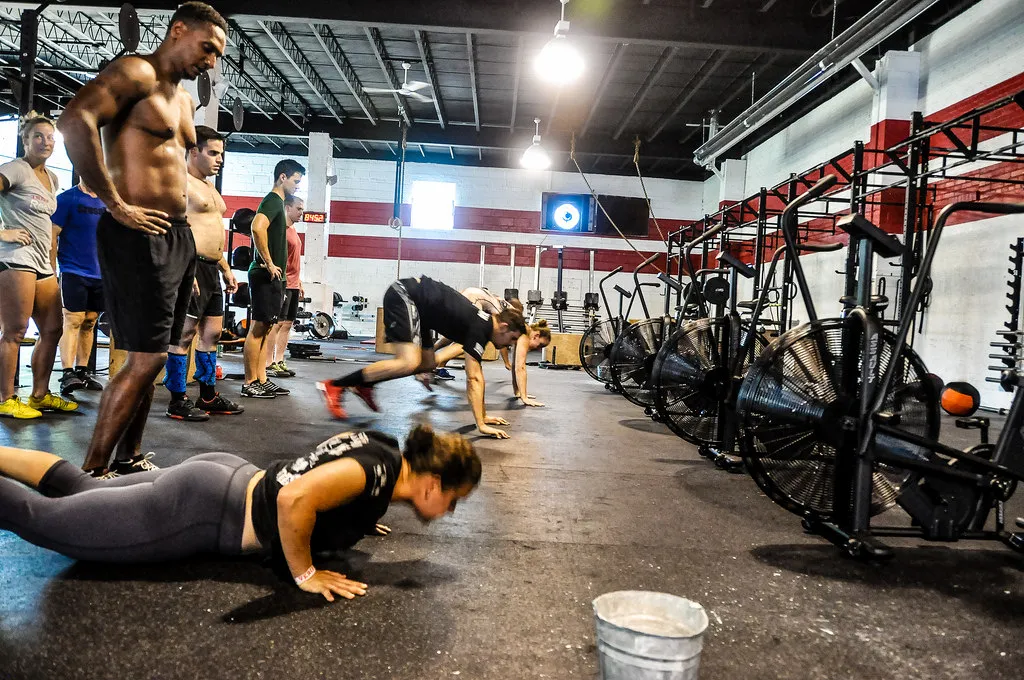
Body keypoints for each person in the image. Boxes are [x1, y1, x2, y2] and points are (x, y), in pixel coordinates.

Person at [0, 424, 479, 601]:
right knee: (38, 521)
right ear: (432, 482)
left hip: (223, 478)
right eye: (453, 500)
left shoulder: (386, 454)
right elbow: (295, 500)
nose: (449, 511)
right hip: (201, 510)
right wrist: (306, 573)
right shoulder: (371, 474)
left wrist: (354, 515)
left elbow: (333, 476)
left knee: (80, 487)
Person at [58, 1, 227, 476]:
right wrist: (116, 204)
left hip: (177, 239)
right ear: (178, 30)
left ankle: (129, 457)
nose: (210, 62)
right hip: (136, 232)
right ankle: (89, 474)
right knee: (145, 358)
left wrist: (189, 252)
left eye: (217, 54)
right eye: (207, 48)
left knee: (155, 359)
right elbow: (75, 121)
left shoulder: (185, 99)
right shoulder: (135, 73)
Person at [317, 276, 527, 438]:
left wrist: (483, 416)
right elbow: (474, 378)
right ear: (504, 327)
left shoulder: (484, 326)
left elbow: (476, 374)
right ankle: (335, 385)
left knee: (426, 364)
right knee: (408, 362)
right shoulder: (481, 329)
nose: (510, 344)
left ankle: (365, 383)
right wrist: (481, 424)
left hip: (423, 310)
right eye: (512, 339)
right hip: (405, 295)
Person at [0, 112, 77, 419]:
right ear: (25, 140)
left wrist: (52, 262)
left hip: (42, 263)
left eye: (50, 138)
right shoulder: (15, 169)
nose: (45, 142)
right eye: (38, 137)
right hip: (15, 259)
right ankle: (6, 398)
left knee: (53, 328)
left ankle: (40, 395)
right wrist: (2, 232)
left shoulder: (52, 177)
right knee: (15, 331)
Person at [163, 125, 242, 421]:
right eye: (213, 153)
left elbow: (211, 231)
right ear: (194, 151)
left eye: (221, 154)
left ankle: (207, 395)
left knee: (212, 333)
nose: (219, 159)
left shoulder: (209, 185)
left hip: (212, 267)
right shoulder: (180, 182)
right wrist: (185, 270)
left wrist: (225, 267)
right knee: (183, 335)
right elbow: (173, 229)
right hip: (190, 266)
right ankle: (177, 399)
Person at [241, 159, 304, 398]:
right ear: (283, 178)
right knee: (258, 329)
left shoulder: (278, 203)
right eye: (296, 181)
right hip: (264, 274)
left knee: (266, 329)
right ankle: (249, 383)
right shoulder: (271, 200)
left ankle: (262, 378)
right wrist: (267, 262)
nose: (297, 186)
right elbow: (257, 227)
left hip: (274, 277)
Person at [52, 179, 107, 396]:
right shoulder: (66, 199)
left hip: (101, 273)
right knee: (73, 319)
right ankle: (67, 373)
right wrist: (51, 270)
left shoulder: (107, 202)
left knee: (90, 321)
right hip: (73, 270)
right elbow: (52, 236)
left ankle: (82, 371)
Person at [431, 287, 523, 381]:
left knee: (452, 337)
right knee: (468, 341)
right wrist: (507, 363)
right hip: (472, 299)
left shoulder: (502, 304)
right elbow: (502, 340)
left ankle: (432, 351)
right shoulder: (503, 314)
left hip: (464, 296)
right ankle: (434, 363)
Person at [266, 195, 305, 379]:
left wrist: (300, 282)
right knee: (277, 324)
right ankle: (268, 363)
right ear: (287, 208)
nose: (302, 213)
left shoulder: (294, 231)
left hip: (294, 284)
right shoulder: (281, 230)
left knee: (288, 324)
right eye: (299, 209)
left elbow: (294, 261)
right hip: (283, 283)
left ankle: (280, 360)